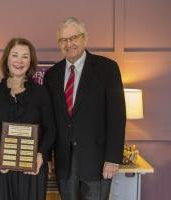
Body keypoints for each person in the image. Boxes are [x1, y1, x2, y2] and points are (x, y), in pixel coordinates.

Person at [44, 17, 126, 200]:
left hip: (96, 161)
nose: (69, 43)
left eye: (74, 37)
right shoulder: (52, 75)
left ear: (84, 38)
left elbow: (117, 117)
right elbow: (49, 120)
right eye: (63, 40)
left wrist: (112, 158)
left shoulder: (107, 69)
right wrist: (48, 156)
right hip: (64, 161)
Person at [0, 37, 55, 200]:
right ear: (7, 59)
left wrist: (40, 155)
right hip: (2, 168)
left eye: (25, 56)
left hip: (33, 168)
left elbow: (51, 129)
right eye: (15, 55)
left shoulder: (42, 92)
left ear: (30, 62)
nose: (19, 61)